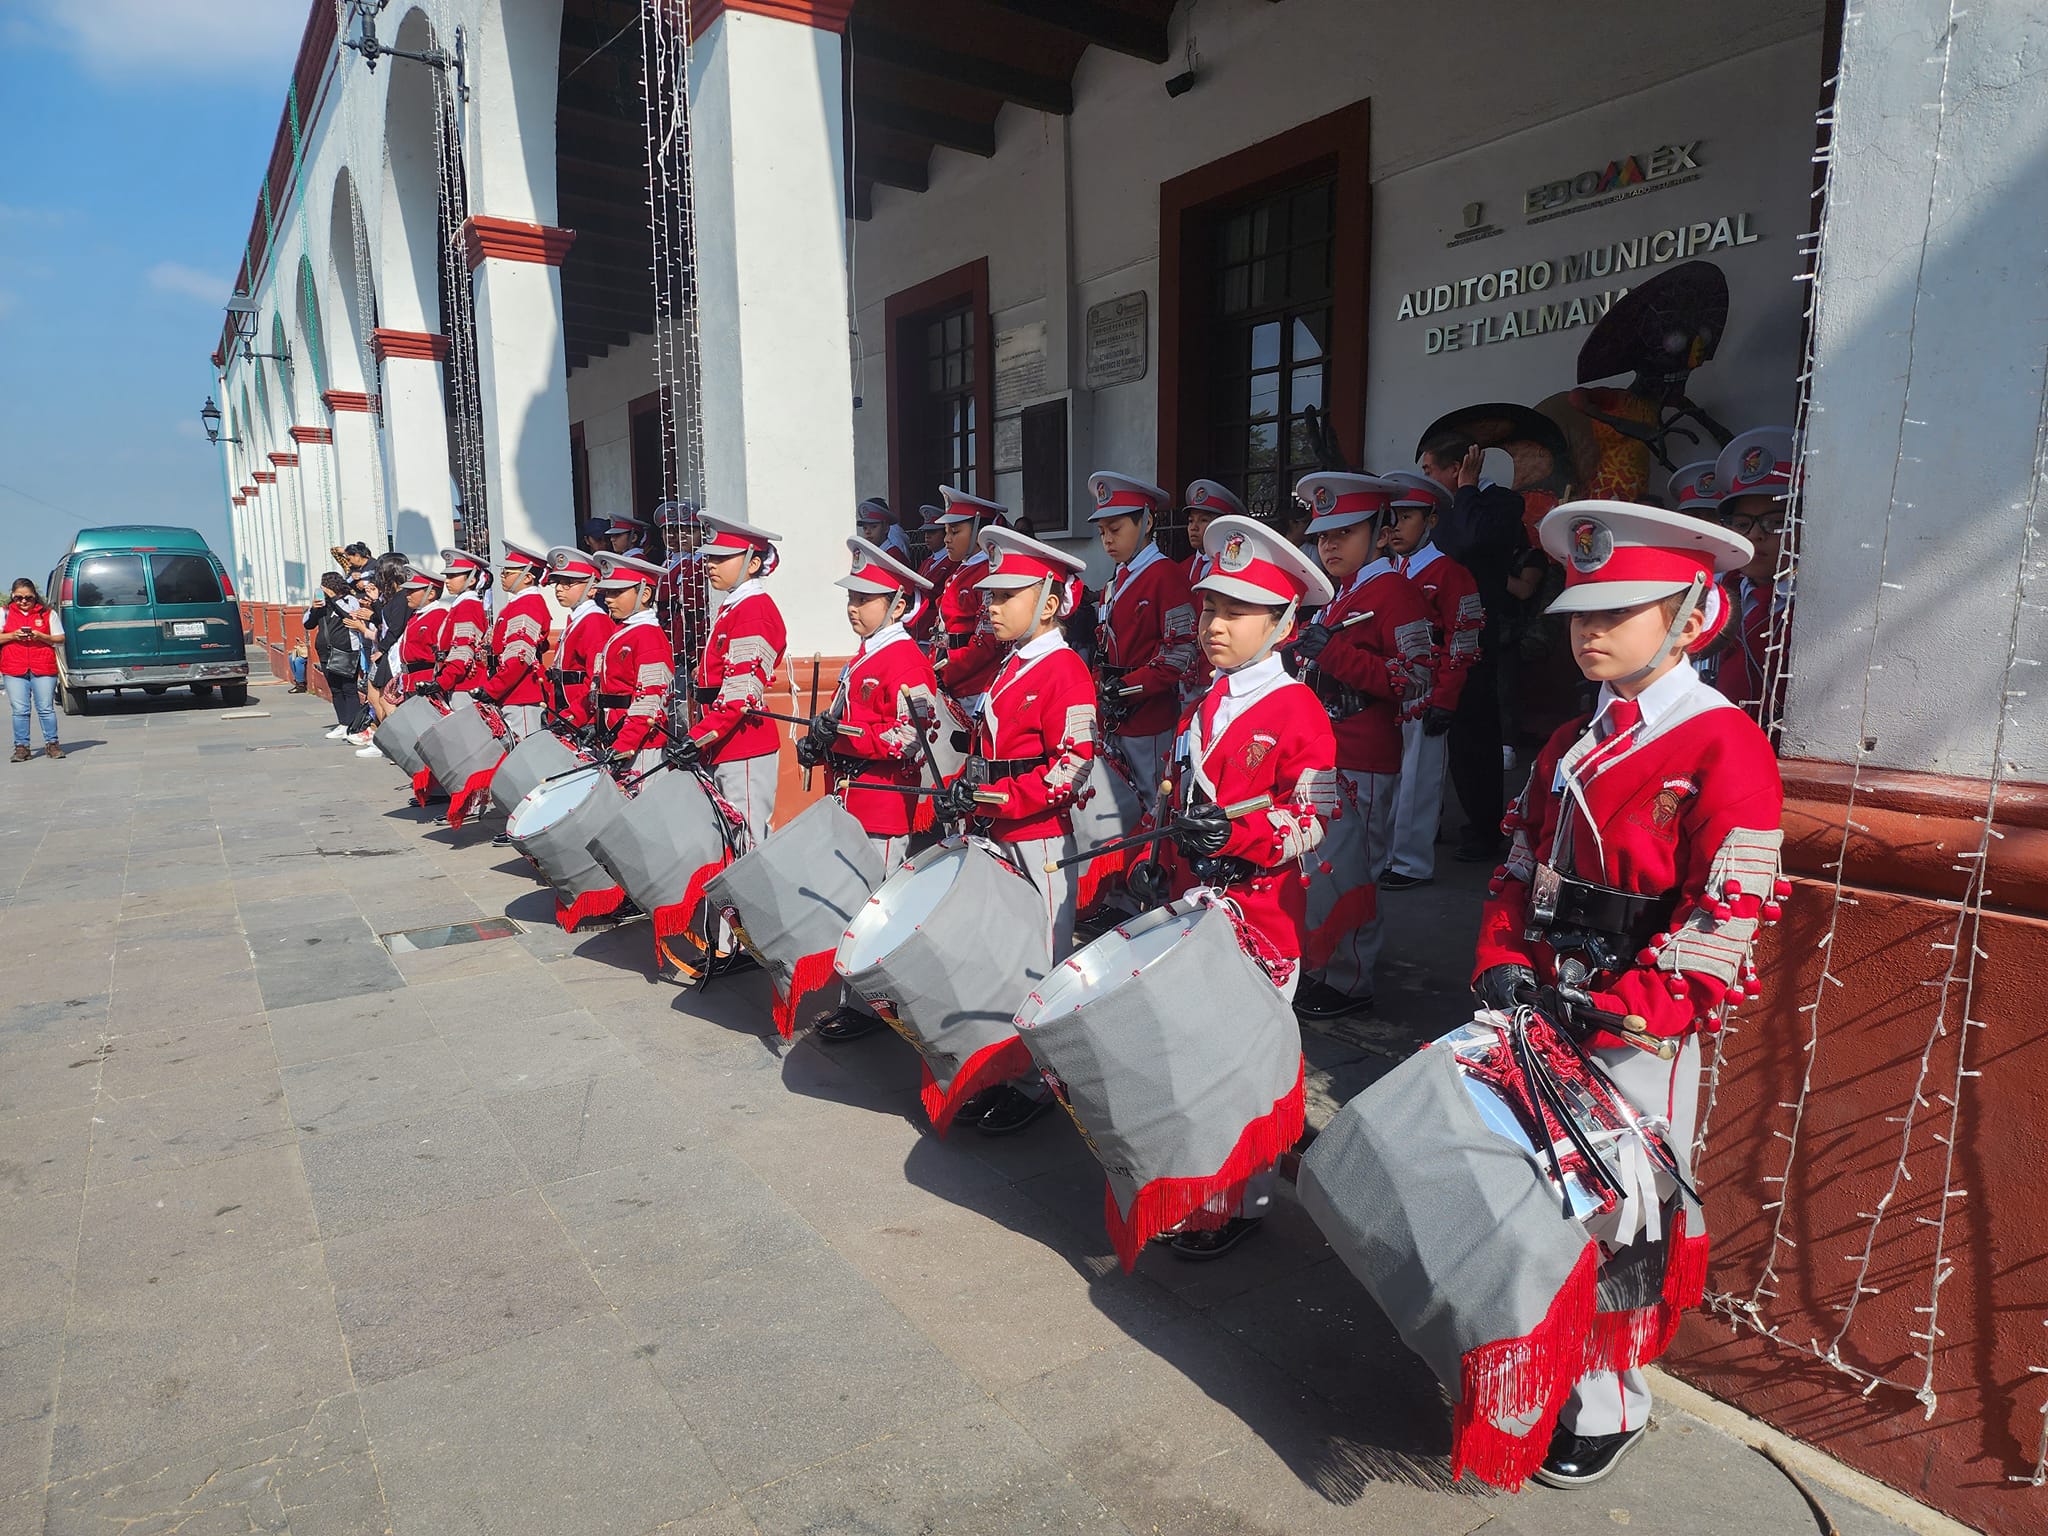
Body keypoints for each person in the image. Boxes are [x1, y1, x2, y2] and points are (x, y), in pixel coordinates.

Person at [1472, 499, 1781, 1487]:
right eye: (1579, 612)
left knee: (1618, 1214)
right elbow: (1518, 861)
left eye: (1621, 609)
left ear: (1693, 615)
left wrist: (1624, 1008)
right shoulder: (1573, 734)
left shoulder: (1721, 743)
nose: (1590, 629)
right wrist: (1498, 956)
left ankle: (1609, 1399)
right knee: (1532, 1194)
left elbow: (1720, 918)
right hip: (1540, 1002)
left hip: (1634, 1027)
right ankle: (1539, 1356)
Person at [1152, 514, 1338, 1257]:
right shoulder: (1206, 702)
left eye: (1236, 611)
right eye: (1208, 607)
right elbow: (1175, 791)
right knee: (1196, 1053)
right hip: (1190, 906)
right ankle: (1201, 1184)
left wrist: (1240, 836)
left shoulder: (1298, 709)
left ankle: (1242, 1200)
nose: (1214, 624)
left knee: (1240, 1062)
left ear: (1284, 622)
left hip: (1258, 914)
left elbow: (1314, 819)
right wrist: (1157, 855)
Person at [931, 524, 1095, 1135]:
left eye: (1006, 596)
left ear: (1049, 603)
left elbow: (1073, 766)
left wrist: (995, 797)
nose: (990, 606)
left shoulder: (1065, 670)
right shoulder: (1011, 662)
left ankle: (1039, 1082)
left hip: (1038, 840)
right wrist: (966, 793)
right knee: (1001, 956)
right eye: (990, 595)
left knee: (1040, 962)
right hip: (999, 831)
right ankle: (1008, 1068)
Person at [1289, 474, 1434, 1022]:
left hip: (1365, 755)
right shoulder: (1336, 597)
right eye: (1323, 533)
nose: (1328, 544)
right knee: (1322, 870)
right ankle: (1324, 964)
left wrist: (1333, 656)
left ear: (1379, 532)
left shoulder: (1395, 592)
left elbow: (1417, 678)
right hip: (1326, 750)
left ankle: (1351, 980)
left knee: (1353, 872)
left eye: (1345, 532)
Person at [801, 536, 942, 1042]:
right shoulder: (866, 654)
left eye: (865, 599)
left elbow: (909, 739)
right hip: (853, 801)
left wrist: (838, 735)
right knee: (855, 905)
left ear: (899, 604)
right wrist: (819, 740)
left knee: (874, 911)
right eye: (851, 598)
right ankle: (858, 1000)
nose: (853, 608)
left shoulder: (904, 659)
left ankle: (870, 1006)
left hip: (883, 806)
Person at [1419, 431, 1529, 862]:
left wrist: (1467, 488)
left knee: (1473, 736)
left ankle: (1484, 830)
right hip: (1435, 631)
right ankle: (1429, 820)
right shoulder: (1441, 509)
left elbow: (1466, 542)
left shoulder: (1500, 504)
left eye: (1431, 470)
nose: (1425, 478)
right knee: (1429, 735)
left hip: (1475, 631)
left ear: (1457, 467)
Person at [1379, 472, 1484, 889]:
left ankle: (1410, 862)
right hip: (1387, 685)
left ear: (1432, 521)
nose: (1397, 526)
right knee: (1388, 775)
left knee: (1419, 778)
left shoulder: (1450, 573)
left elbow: (1464, 638)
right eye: (1394, 517)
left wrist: (1446, 696)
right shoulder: (1386, 569)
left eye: (1407, 517)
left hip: (1426, 690)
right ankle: (1386, 852)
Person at [672, 512, 787, 858]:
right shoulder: (734, 606)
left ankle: (753, 913)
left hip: (743, 742)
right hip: (724, 738)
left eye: (722, 557)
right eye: (710, 556)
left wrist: (697, 736)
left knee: (747, 842)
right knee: (728, 839)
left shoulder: (754, 610)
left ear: (753, 563)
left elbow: (740, 695)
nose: (710, 564)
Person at [1088, 472, 1199, 813]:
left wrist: (1126, 688)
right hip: (1115, 710)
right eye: (1103, 531)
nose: (1107, 539)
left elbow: (1181, 652)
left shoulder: (1166, 575)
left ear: (1147, 521)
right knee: (1118, 799)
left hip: (1148, 714)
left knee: (1155, 802)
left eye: (1116, 529)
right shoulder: (1119, 576)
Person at [1707, 427, 1795, 728]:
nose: (1756, 535)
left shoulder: (1821, 601)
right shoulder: (1711, 592)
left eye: (1775, 522)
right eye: (1742, 523)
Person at [589, 552, 675, 774]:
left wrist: (624, 746)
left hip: (640, 744)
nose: (608, 598)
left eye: (617, 592)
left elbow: (649, 700)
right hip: (615, 737)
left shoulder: (648, 636)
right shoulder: (624, 630)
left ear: (644, 594)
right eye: (608, 592)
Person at [930, 487, 1008, 706]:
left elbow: (987, 641)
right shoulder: (962, 569)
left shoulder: (987, 573)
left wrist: (946, 670)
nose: (946, 539)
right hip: (950, 677)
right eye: (946, 532)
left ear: (978, 533)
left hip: (973, 684)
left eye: (954, 532)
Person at [477, 541, 552, 741]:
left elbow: (519, 658)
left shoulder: (528, 605)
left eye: (507, 573)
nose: (502, 577)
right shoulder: (519, 603)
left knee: (525, 757)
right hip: (510, 691)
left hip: (521, 693)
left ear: (527, 577)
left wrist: (493, 689)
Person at [543, 547, 614, 737]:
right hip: (564, 707)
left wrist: (578, 716)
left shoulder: (595, 621)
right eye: (557, 582)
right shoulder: (578, 618)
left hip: (579, 713)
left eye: (568, 583)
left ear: (592, 588)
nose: (559, 588)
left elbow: (596, 678)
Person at [2, 577, 63, 762]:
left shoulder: (47, 614)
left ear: (35, 596)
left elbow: (60, 638)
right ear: (12, 596)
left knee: (45, 708)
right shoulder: (4, 613)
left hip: (43, 666)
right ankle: (21, 747)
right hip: (14, 667)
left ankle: (52, 744)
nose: (23, 602)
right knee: (20, 710)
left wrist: (41, 636)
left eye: (28, 598)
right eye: (19, 598)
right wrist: (12, 635)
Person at [310, 573, 365, 741]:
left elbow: (350, 618)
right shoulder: (322, 605)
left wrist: (334, 601)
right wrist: (314, 609)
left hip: (347, 650)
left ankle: (354, 724)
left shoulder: (350, 600)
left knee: (348, 688)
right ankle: (343, 723)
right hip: (326, 652)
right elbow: (308, 624)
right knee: (335, 689)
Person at [432, 550, 490, 701]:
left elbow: (463, 650)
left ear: (471, 580)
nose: (447, 581)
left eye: (452, 576)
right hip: (456, 682)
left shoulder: (468, 606)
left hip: (465, 684)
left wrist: (444, 681)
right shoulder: (461, 605)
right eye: (446, 576)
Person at [856, 497, 912, 563]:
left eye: (874, 526)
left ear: (886, 528)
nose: (867, 532)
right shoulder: (869, 554)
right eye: (865, 528)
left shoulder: (893, 555)